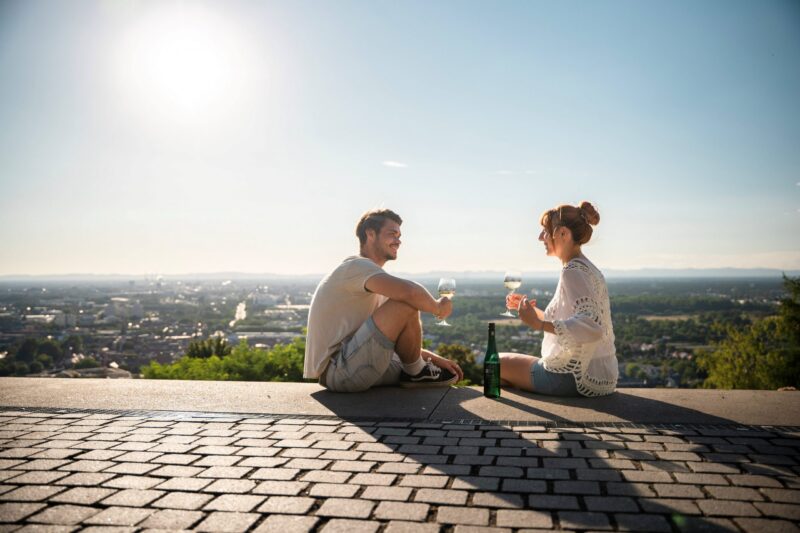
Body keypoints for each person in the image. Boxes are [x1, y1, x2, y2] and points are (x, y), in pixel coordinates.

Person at [304, 208, 464, 392]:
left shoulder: (372, 280)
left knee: (444, 372)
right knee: (405, 301)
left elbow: (383, 339)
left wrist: (433, 359)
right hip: (339, 370)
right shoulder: (356, 266)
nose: (398, 241)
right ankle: (417, 372)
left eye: (399, 235)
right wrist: (438, 308)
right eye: (392, 234)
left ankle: (417, 370)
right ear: (370, 234)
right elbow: (410, 292)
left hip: (351, 366)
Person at [501, 201, 618, 397]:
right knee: (508, 369)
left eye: (545, 231)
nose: (540, 237)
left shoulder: (572, 271)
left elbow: (591, 327)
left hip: (571, 377)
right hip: (602, 376)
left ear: (563, 233)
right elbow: (572, 321)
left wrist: (537, 323)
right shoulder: (588, 268)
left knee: (494, 363)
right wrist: (533, 313)